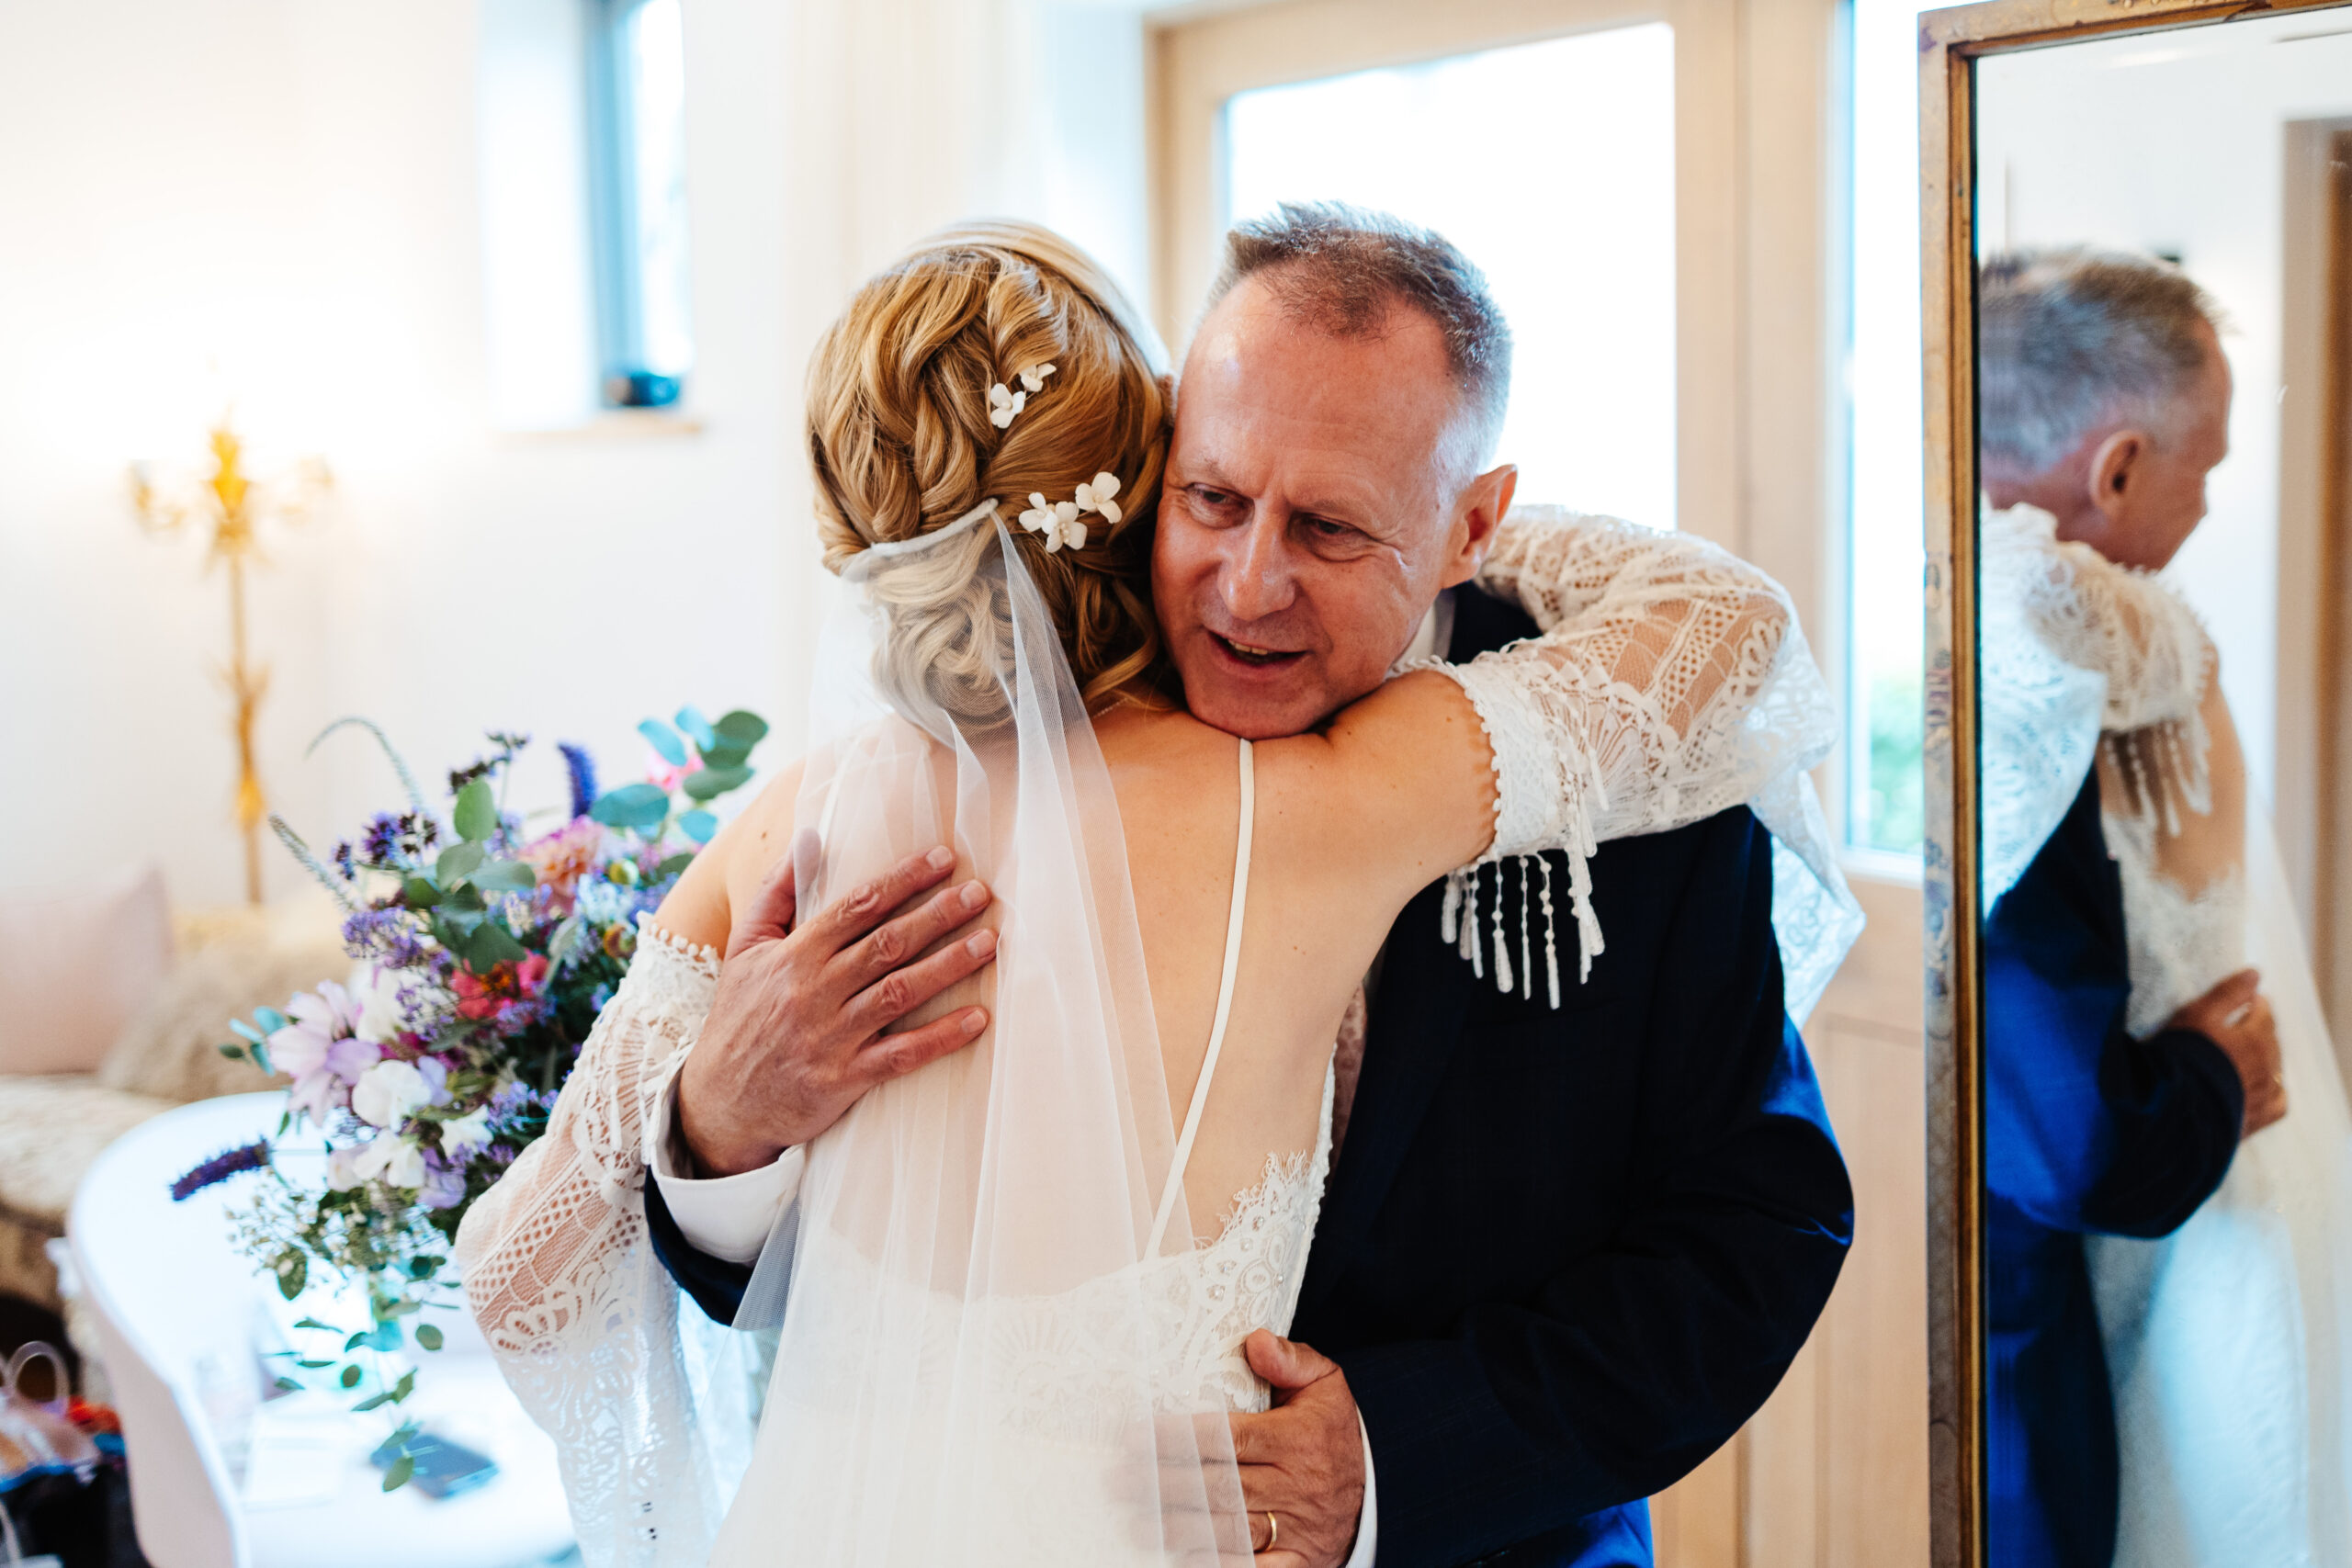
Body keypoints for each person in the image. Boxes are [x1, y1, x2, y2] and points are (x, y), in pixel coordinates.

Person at [458, 210, 1860, 1568]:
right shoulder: (899, 798)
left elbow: (1754, 1230)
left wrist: (1404, 1458)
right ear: (1148, 461)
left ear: (1474, 523)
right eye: (1214, 497)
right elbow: (798, 1278)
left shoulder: (1638, 770)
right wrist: (715, 1122)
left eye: (1332, 529)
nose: (1249, 587)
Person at [1977, 246, 2345, 1568]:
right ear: (2119, 466)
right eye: (2208, 469)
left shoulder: (2111, 645)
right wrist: (2213, 1072)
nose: (2205, 511)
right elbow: (2070, 1140)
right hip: (2043, 1286)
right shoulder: (2037, 661)